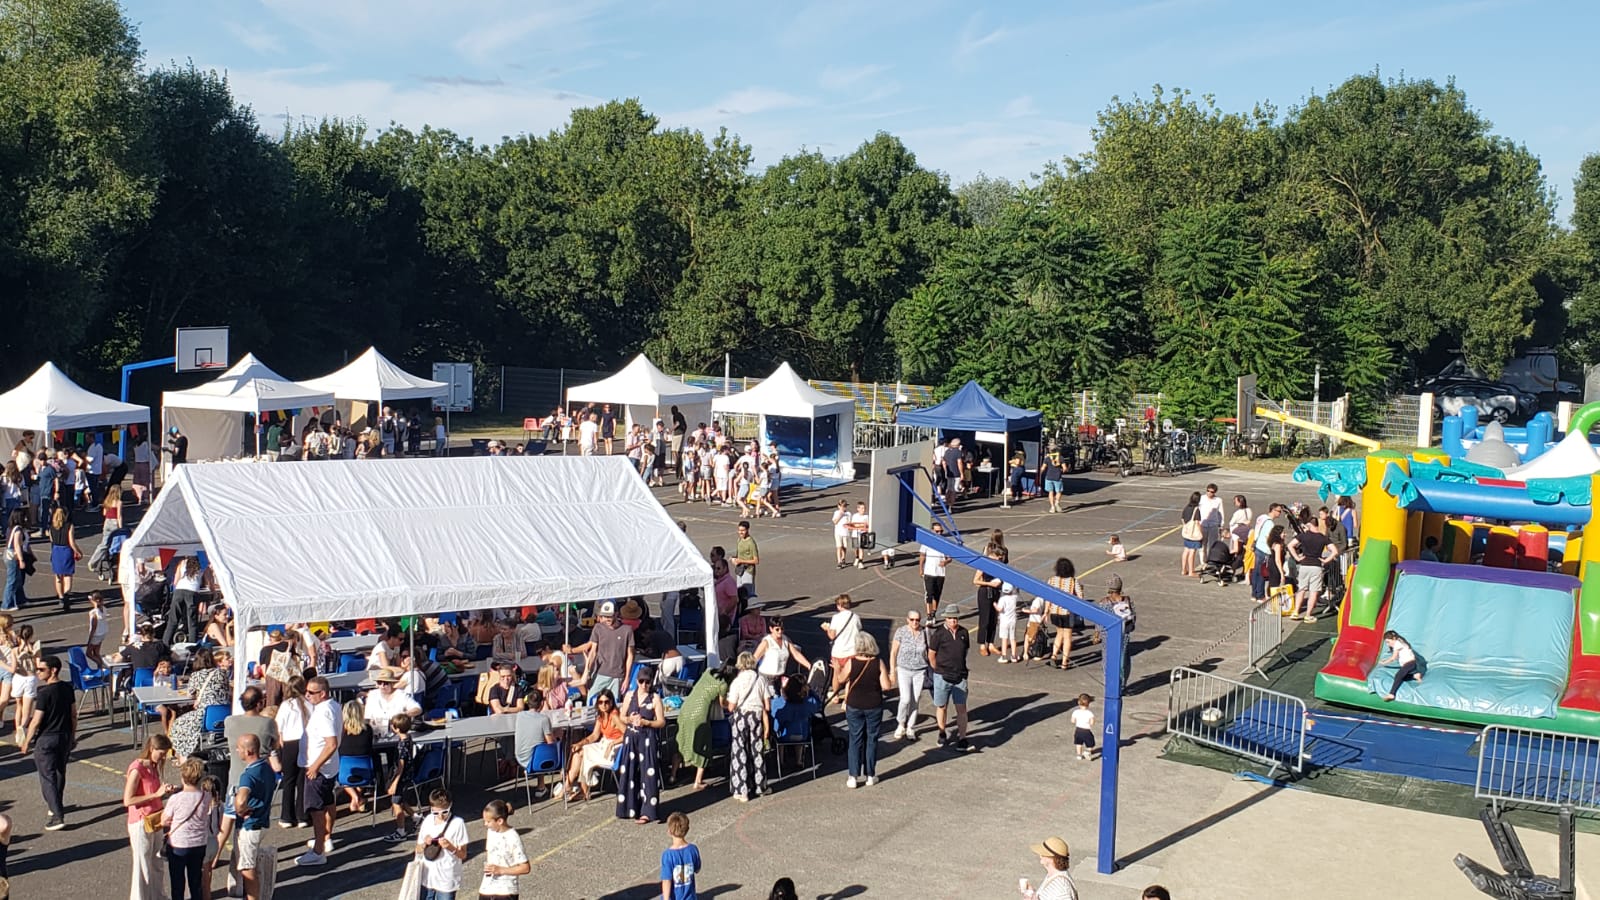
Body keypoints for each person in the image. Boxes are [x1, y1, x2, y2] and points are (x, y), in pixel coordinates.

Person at [214, 733, 278, 900]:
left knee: (247, 867)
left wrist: (239, 809)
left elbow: (241, 799)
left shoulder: (247, 776)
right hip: (262, 821)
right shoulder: (266, 768)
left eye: (239, 748)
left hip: (249, 827)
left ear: (248, 751)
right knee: (250, 862)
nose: (237, 751)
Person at [20, 654, 74, 830]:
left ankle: (57, 815)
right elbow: (73, 715)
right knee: (59, 772)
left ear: (53, 670)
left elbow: (36, 720)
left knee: (47, 777)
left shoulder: (44, 693)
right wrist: (72, 735)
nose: (38, 672)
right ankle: (56, 804)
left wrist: (27, 741)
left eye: (41, 669)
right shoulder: (67, 688)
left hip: (46, 738)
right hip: (64, 735)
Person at [834, 632, 893, 789]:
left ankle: (853, 776)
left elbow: (840, 679)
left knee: (855, 739)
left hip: (854, 705)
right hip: (874, 705)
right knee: (871, 739)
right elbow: (886, 686)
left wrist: (837, 669)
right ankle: (870, 775)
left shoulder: (851, 662)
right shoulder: (878, 663)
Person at [123, 734, 177, 898]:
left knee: (156, 862)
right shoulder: (137, 769)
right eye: (161, 753)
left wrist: (164, 792)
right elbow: (128, 800)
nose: (163, 757)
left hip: (155, 819)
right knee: (143, 865)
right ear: (152, 749)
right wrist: (155, 794)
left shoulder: (153, 766)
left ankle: (158, 896)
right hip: (141, 821)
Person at [295, 675, 340, 866]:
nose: (307, 695)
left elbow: (331, 743)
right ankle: (325, 838)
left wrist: (315, 766)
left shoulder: (324, 712)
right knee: (328, 802)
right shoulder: (333, 706)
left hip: (319, 768)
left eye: (311, 692)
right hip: (329, 766)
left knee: (316, 809)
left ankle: (318, 851)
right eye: (306, 691)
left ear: (322, 693)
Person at [617, 666, 667, 823]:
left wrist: (647, 722)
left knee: (648, 774)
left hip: (647, 739)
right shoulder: (629, 696)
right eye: (641, 681)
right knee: (630, 772)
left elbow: (661, 722)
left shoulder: (655, 698)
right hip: (631, 738)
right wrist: (629, 719)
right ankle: (630, 808)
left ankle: (648, 811)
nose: (644, 685)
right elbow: (621, 716)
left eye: (647, 682)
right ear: (637, 681)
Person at [162, 757, 215, 900]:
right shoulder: (206, 797)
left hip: (178, 844)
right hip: (199, 843)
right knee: (195, 881)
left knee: (177, 883)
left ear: (182, 777)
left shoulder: (175, 799)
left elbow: (164, 821)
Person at [674, 663, 731, 791]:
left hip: (686, 708)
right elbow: (723, 704)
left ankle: (673, 775)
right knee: (704, 745)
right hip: (699, 713)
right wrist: (733, 704)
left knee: (682, 741)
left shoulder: (708, 673)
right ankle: (697, 781)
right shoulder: (723, 685)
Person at [723, 651, 770, 802]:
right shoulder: (761, 679)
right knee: (757, 751)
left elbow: (731, 707)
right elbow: (767, 705)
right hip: (756, 715)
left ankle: (741, 790)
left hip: (741, 716)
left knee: (739, 751)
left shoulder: (737, 681)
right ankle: (760, 786)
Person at [564, 689, 624, 802]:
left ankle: (570, 786)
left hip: (614, 747)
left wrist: (613, 743)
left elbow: (627, 734)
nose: (603, 705)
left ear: (611, 702)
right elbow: (594, 735)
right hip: (604, 745)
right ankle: (574, 786)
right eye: (600, 702)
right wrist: (580, 743)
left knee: (582, 753)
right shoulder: (601, 717)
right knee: (580, 751)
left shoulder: (614, 716)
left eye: (606, 702)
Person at [567, 600, 634, 700]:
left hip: (618, 674)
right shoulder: (598, 628)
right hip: (600, 672)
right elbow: (593, 651)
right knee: (591, 698)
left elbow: (630, 655)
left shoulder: (627, 630)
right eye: (605, 616)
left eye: (610, 616)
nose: (607, 619)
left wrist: (627, 678)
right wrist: (588, 671)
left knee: (613, 702)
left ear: (616, 614)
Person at [927, 604, 971, 751]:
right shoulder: (938, 634)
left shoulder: (964, 632)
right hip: (942, 676)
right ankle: (941, 732)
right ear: (946, 618)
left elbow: (965, 651)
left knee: (961, 708)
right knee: (941, 706)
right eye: (951, 618)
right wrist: (938, 670)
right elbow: (931, 655)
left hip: (960, 676)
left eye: (955, 618)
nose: (953, 620)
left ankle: (963, 738)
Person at [223, 685, 279, 791]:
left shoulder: (229, 721)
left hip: (236, 779)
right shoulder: (268, 723)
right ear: (259, 703)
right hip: (260, 778)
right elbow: (275, 745)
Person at [274, 676, 310, 827]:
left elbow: (278, 727)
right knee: (302, 781)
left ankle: (287, 817)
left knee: (289, 780)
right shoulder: (308, 704)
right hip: (305, 742)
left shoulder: (285, 705)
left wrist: (280, 743)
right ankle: (302, 816)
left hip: (289, 744)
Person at [479, 799, 530, 900]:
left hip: (506, 890)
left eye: (488, 821)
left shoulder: (513, 838)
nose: (485, 824)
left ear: (500, 821)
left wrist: (501, 870)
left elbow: (525, 868)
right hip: (487, 888)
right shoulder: (491, 832)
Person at [1287, 516, 1336, 622]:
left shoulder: (1303, 536)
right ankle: (1308, 615)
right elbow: (1334, 551)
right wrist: (1326, 560)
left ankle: (1296, 612)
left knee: (1301, 589)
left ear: (1309, 525)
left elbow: (1290, 545)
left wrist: (1297, 558)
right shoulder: (1323, 538)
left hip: (1304, 565)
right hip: (1316, 566)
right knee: (1314, 591)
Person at [890, 610, 929, 740]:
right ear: (907, 619)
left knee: (915, 699)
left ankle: (910, 727)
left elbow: (929, 651)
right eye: (912, 619)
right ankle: (901, 723)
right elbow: (893, 652)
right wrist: (892, 671)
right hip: (904, 669)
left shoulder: (924, 633)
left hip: (919, 670)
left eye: (917, 620)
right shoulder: (901, 631)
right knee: (905, 699)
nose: (915, 622)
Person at [337, 699, 374, 813]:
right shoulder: (368, 729)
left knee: (342, 772)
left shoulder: (340, 730)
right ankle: (357, 797)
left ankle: (355, 798)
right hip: (365, 770)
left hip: (344, 772)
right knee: (370, 760)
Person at [753, 615, 809, 686]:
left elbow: (796, 654)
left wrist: (809, 665)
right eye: (777, 629)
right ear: (771, 629)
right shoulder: (766, 642)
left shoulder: (786, 639)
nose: (780, 631)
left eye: (782, 629)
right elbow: (755, 658)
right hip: (766, 677)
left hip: (780, 677)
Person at [660, 810, 701, 900]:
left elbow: (666, 880)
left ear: (669, 831)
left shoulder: (668, 855)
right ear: (687, 829)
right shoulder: (693, 849)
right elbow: (697, 869)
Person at [165, 556, 205, 645]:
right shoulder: (202, 564)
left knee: (173, 619)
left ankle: (165, 643)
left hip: (179, 591)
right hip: (192, 592)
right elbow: (209, 580)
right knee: (192, 620)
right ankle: (192, 644)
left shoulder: (182, 563)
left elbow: (176, 581)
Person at [973, 546, 1005, 658]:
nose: (1000, 560)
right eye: (999, 558)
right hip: (985, 592)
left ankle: (990, 643)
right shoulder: (984, 564)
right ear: (993, 556)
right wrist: (990, 584)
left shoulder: (999, 565)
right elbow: (975, 580)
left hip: (995, 592)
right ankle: (982, 645)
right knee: (984, 620)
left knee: (993, 619)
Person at [46, 506, 80, 610]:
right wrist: (78, 551)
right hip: (66, 550)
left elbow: (51, 540)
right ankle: (66, 594)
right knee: (67, 575)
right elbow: (71, 542)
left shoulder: (51, 527)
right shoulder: (69, 526)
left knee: (58, 576)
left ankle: (60, 597)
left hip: (56, 550)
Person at [821, 593, 861, 674]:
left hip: (838, 652)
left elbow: (832, 636)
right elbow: (859, 630)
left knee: (837, 675)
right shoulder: (856, 617)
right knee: (850, 674)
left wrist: (827, 629)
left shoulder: (836, 617)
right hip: (852, 651)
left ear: (839, 605)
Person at [918, 521, 950, 618]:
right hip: (929, 572)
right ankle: (929, 614)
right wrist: (921, 569)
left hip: (940, 573)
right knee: (929, 594)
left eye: (941, 531)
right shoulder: (926, 542)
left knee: (937, 594)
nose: (939, 533)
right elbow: (922, 556)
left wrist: (946, 562)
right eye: (937, 531)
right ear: (932, 531)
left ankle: (933, 612)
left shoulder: (945, 542)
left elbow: (949, 557)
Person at [1379, 630, 1422, 701]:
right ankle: (1415, 676)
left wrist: (1384, 663)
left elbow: (1393, 658)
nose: (1388, 644)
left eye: (1388, 642)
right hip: (1411, 664)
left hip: (1409, 664)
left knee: (1398, 675)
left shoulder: (1397, 644)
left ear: (1394, 638)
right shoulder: (1400, 641)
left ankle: (1392, 694)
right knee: (1402, 678)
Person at [994, 571, 1021, 664]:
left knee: (1004, 639)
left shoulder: (1002, 599)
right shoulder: (1014, 597)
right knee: (1013, 638)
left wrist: (994, 605)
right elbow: (1017, 591)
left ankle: (1004, 656)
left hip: (1004, 621)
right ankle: (1014, 655)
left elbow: (1000, 609)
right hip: (1013, 620)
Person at [734, 520, 760, 598]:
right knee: (739, 592)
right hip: (739, 570)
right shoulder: (739, 540)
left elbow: (756, 561)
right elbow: (738, 555)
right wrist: (734, 559)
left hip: (748, 571)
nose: (740, 532)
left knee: (747, 593)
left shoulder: (751, 543)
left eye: (743, 530)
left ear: (747, 530)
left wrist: (741, 561)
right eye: (739, 530)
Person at [1180, 490, 1203, 577]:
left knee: (1186, 550)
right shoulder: (1196, 510)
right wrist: (1201, 532)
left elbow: (1182, 519)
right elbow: (1197, 523)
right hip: (1194, 534)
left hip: (1186, 533)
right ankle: (1191, 571)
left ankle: (1183, 569)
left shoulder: (1186, 507)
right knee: (1192, 552)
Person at [84, 590, 110, 667]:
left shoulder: (93, 613)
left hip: (96, 635)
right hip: (103, 632)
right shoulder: (104, 609)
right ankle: (100, 666)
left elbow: (93, 627)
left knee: (88, 653)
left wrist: (89, 640)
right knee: (96, 652)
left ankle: (101, 664)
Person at [1070, 693, 1097, 761]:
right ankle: (1087, 752)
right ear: (1088, 703)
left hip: (1078, 730)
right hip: (1086, 730)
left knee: (1078, 743)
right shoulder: (1089, 713)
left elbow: (1072, 721)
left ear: (1078, 702)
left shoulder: (1075, 712)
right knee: (1091, 743)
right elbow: (1092, 723)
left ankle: (1079, 755)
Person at [846, 501, 870, 568]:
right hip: (855, 534)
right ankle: (857, 557)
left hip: (862, 535)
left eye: (864, 508)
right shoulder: (855, 516)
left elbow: (868, 525)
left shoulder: (866, 517)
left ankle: (860, 562)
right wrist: (856, 526)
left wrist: (865, 529)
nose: (863, 510)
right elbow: (853, 524)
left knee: (861, 548)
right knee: (856, 548)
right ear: (858, 509)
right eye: (861, 508)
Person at [831, 500, 851, 568]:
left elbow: (849, 523)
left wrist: (848, 525)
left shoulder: (848, 513)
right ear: (839, 506)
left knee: (844, 547)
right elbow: (835, 522)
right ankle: (839, 561)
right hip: (838, 532)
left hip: (845, 532)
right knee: (839, 546)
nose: (844, 508)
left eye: (845, 506)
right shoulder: (836, 512)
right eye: (842, 506)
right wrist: (840, 515)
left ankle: (843, 558)